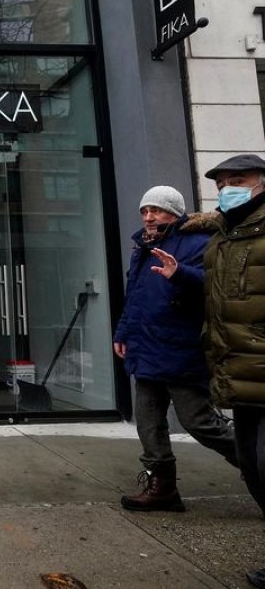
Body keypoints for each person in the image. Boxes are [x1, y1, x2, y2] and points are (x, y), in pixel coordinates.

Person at [113, 185, 237, 512]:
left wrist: (179, 272)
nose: (149, 216)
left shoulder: (199, 242)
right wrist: (123, 331)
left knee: (198, 422)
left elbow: (215, 284)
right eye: (144, 210)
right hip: (147, 347)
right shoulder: (143, 246)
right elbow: (136, 297)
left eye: (157, 209)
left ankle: (252, 461)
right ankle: (162, 488)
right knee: (148, 422)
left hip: (180, 349)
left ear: (176, 213)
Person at [199, 154, 265, 588]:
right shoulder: (221, 238)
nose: (227, 189)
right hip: (238, 374)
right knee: (254, 471)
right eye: (222, 183)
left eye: (237, 181)